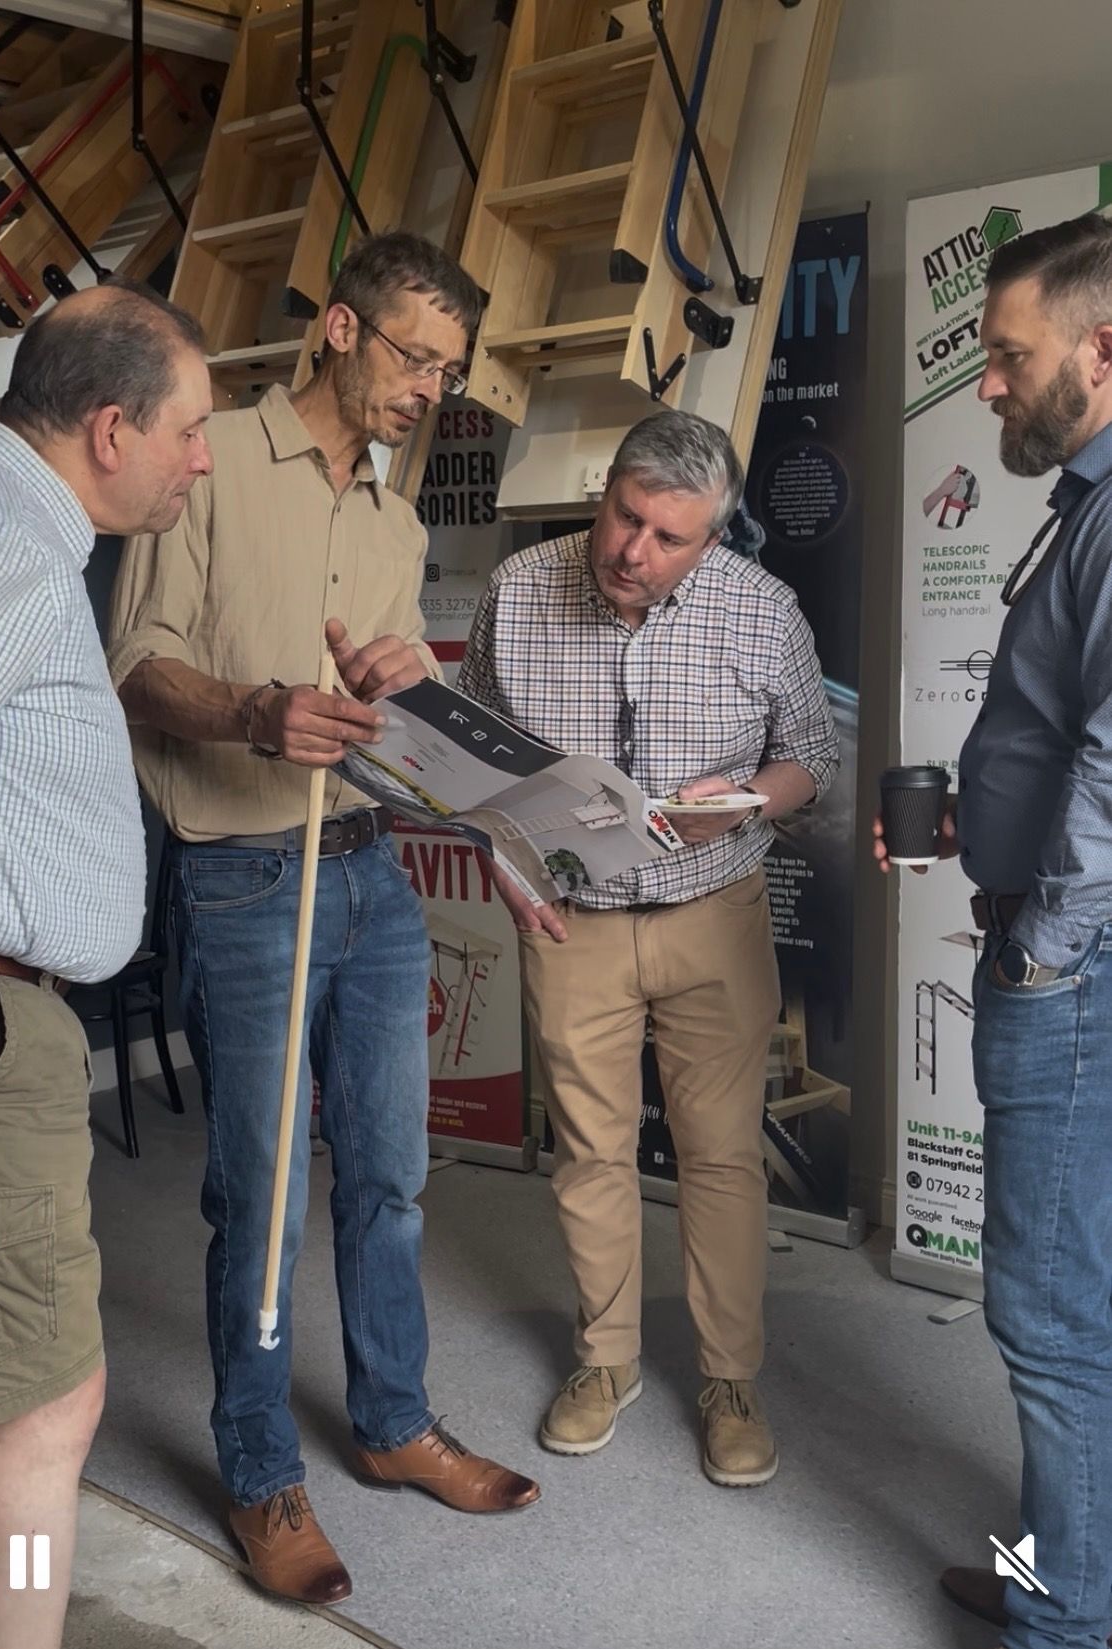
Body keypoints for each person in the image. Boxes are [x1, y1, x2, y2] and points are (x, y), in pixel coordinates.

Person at [108, 231, 539, 1609]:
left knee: (394, 1174)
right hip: (243, 876)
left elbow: (384, 733)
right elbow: (132, 664)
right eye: (417, 356)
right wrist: (252, 709)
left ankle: (394, 1420)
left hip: (372, 869)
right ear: (342, 331)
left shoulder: (397, 519)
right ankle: (255, 1468)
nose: (431, 387)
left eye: (449, 369)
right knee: (262, 1189)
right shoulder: (211, 457)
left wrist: (406, 695)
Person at [457, 409, 837, 1484]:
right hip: (570, 916)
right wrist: (495, 851)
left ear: (713, 537)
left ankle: (729, 1378)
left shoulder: (763, 611)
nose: (634, 552)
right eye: (625, 518)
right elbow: (477, 756)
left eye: (670, 538)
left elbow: (812, 759)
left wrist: (754, 796)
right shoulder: (519, 590)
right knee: (589, 1147)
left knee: (720, 1153)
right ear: (605, 489)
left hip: (714, 911)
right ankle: (604, 1358)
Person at [0, 281, 213, 1649]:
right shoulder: (0, 532)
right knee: (50, 1405)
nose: (200, 457)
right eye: (191, 428)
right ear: (111, 429)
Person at [875, 212, 1112, 1649]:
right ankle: (1056, 1565)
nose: (986, 386)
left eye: (1008, 355)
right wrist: (989, 822)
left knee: (1042, 1313)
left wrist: (1039, 946)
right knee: (1078, 1297)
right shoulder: (1085, 502)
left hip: (1074, 971)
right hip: (1068, 934)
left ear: (1101, 346)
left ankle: (1062, 1618)